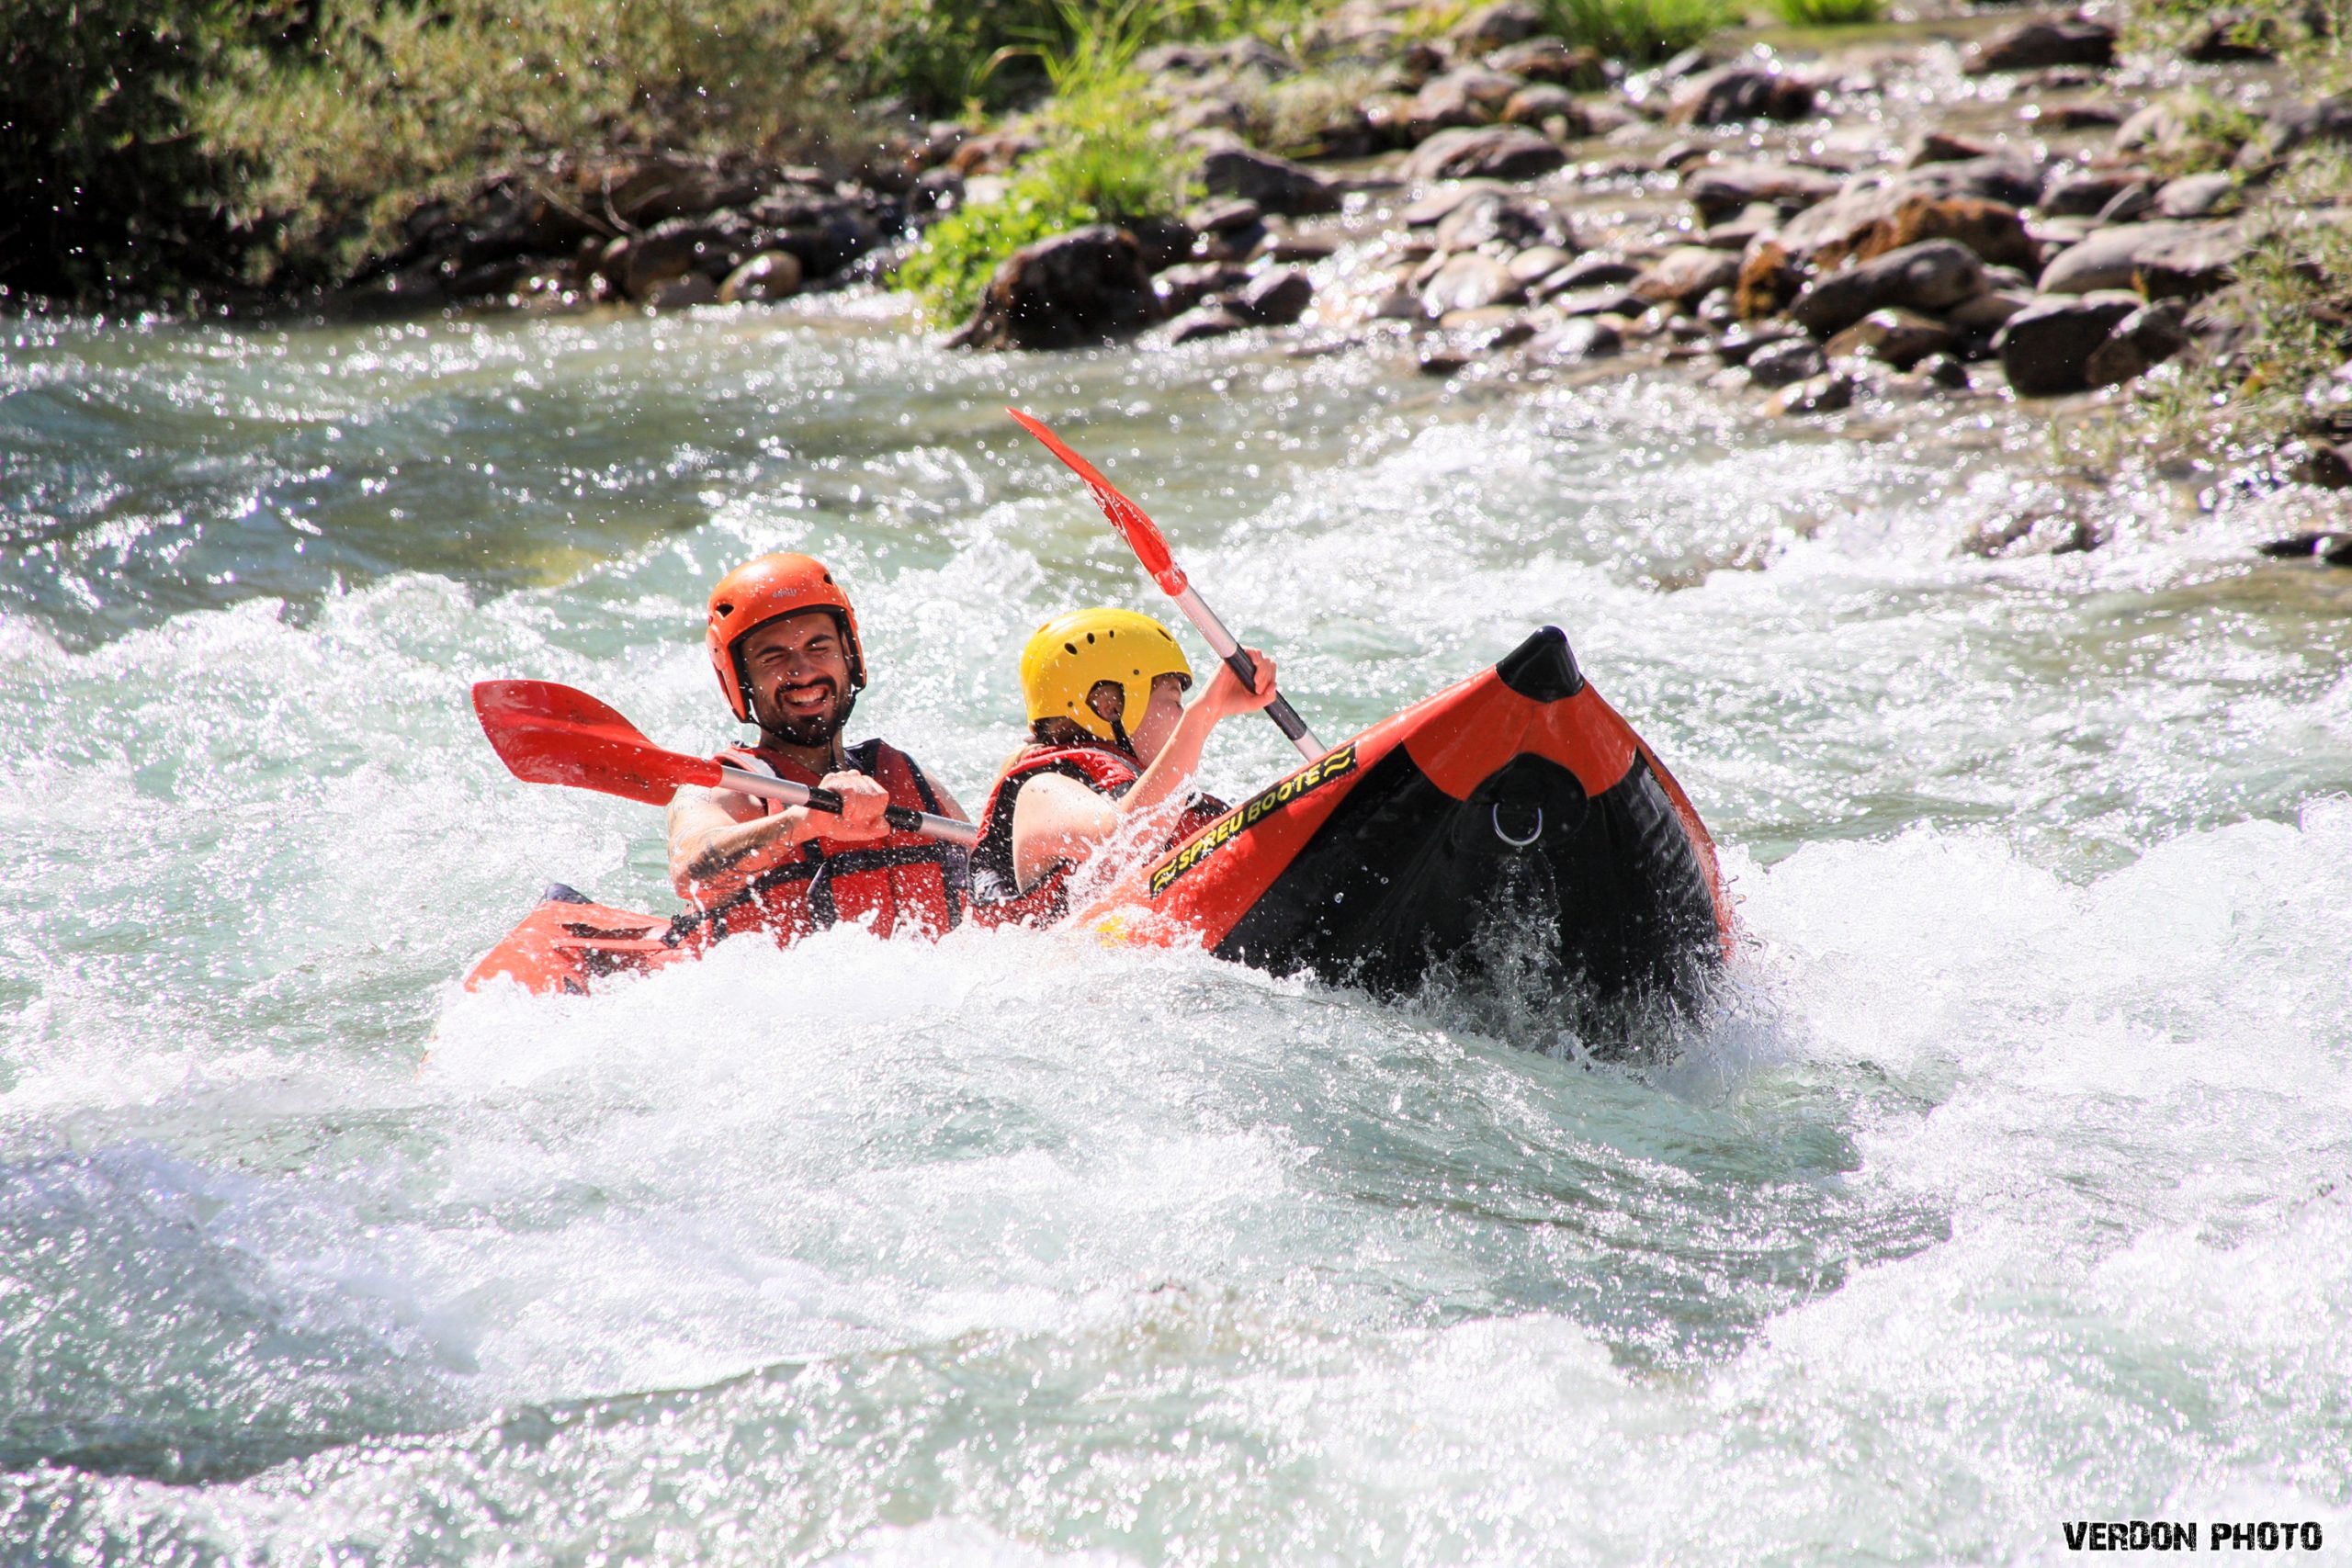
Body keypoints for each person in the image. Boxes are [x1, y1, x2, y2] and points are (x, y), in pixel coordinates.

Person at [667, 552, 970, 942]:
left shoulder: (911, 782)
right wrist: (802, 823)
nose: (804, 672)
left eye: (818, 647)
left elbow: (995, 880)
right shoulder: (724, 790)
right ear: (740, 680)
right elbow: (690, 872)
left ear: (849, 657)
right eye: (773, 656)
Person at [969, 607, 1277, 926]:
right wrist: (1205, 712)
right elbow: (1124, 840)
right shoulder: (1041, 791)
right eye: (1174, 701)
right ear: (1110, 708)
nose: (1182, 715)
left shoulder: (1154, 794)